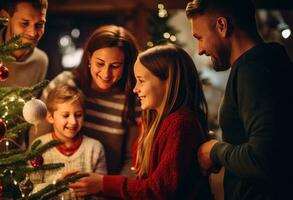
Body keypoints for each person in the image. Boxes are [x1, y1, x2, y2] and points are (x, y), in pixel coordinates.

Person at [65, 44, 214, 200]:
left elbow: (159, 190)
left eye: (141, 81)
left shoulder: (181, 124)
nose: (135, 89)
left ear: (167, 82)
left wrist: (103, 183)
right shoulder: (154, 120)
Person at [186, 0, 293, 199]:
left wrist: (214, 151)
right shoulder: (264, 63)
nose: (200, 49)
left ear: (222, 26)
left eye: (200, 37)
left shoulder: (254, 70)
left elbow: (265, 158)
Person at [33, 25, 140, 175]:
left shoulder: (132, 99)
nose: (106, 73)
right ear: (89, 57)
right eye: (100, 64)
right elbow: (37, 142)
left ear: (126, 64)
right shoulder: (64, 84)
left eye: (115, 66)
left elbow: (132, 160)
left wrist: (110, 189)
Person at [29, 84, 107, 199]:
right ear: (50, 117)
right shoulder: (39, 147)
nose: (73, 121)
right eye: (65, 115)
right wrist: (55, 185)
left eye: (78, 115)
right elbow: (31, 192)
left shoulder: (95, 148)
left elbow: (102, 192)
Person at [0, 0, 49, 87]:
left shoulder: (40, 62)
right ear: (5, 18)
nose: (32, 33)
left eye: (39, 24)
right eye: (25, 23)